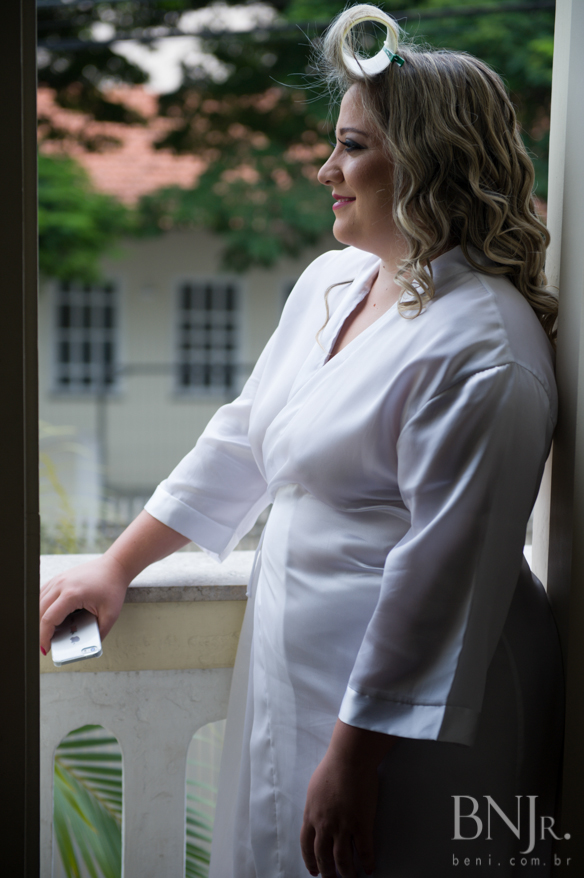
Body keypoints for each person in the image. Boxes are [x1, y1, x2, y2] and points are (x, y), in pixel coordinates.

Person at [40, 5, 565, 876]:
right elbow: (244, 437)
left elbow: (442, 570)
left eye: (352, 147)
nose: (326, 168)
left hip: (416, 719)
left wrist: (355, 758)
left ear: (429, 161)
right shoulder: (335, 283)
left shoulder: (486, 349)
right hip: (292, 674)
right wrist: (118, 565)